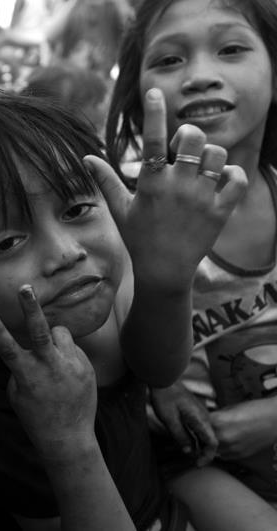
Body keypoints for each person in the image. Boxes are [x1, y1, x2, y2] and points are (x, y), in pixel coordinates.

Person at [0, 91, 245, 529]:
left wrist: (167, 281)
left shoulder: (110, 290)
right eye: (8, 242)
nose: (65, 252)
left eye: (76, 209)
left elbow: (159, 367)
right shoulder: (0, 404)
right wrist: (67, 440)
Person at [105, 0, 277, 527]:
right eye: (169, 60)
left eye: (231, 48)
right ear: (136, 94)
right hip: (190, 464)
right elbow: (146, 367)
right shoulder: (122, 219)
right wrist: (163, 278)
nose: (200, 76)